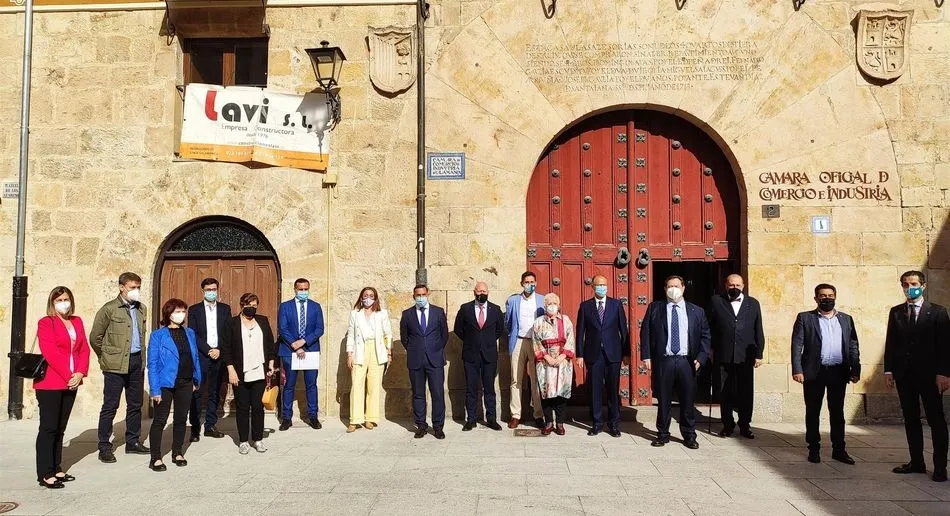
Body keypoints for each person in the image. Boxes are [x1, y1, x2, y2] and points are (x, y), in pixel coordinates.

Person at [884, 271, 949, 482]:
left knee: (935, 419)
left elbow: (945, 346)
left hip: (930, 376)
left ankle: (940, 467)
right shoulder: (896, 312)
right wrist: (889, 370)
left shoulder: (938, 312)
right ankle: (917, 462)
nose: (909, 287)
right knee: (911, 419)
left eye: (913, 283)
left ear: (923, 285)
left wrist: (944, 373)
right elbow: (891, 343)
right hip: (905, 375)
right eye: (905, 284)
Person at [791, 283, 860, 465]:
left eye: (830, 295)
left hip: (838, 371)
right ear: (816, 298)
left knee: (837, 412)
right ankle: (814, 449)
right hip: (814, 372)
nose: (827, 298)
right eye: (822, 296)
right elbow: (797, 345)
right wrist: (797, 369)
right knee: (813, 411)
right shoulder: (805, 318)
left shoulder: (846, 319)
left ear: (835, 297)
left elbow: (853, 345)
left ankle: (839, 450)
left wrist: (856, 369)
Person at [640, 275, 711, 449]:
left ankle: (689, 435)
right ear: (665, 289)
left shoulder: (697, 311)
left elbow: (705, 336)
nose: (673, 289)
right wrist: (646, 356)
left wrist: (701, 358)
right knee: (663, 400)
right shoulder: (655, 308)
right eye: (670, 286)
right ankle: (662, 434)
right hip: (664, 361)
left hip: (687, 362)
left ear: (683, 288)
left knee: (687, 400)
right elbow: (646, 333)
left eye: (676, 285)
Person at [89, 272, 149, 463]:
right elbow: (95, 337)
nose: (136, 291)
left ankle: (133, 441)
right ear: (122, 287)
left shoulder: (142, 309)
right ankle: (104, 446)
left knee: (135, 405)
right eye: (132, 287)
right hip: (114, 365)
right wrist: (105, 357)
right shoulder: (109, 309)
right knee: (110, 406)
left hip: (136, 362)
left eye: (138, 287)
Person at [34, 287, 90, 488]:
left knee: (60, 428)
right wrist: (69, 375)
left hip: (72, 381)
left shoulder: (76, 321)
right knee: (48, 428)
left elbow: (84, 348)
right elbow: (50, 352)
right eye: (59, 300)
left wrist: (80, 372)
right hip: (51, 382)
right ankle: (45, 472)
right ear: (52, 302)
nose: (63, 303)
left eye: (66, 299)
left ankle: (57, 467)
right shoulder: (46, 322)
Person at [146, 299, 201, 471]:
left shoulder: (189, 332)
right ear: (169, 313)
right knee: (160, 420)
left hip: (185, 382)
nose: (181, 314)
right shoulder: (158, 335)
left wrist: (196, 379)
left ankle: (177, 452)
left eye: (183, 311)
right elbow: (153, 364)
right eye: (177, 311)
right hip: (165, 384)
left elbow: (195, 357)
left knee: (180, 419)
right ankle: (155, 457)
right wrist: (155, 389)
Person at [707, 274, 765, 439]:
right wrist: (709, 348)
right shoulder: (716, 301)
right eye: (731, 285)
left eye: (738, 285)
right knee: (725, 391)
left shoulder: (753, 303)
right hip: (723, 354)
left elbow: (758, 329)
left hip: (746, 355)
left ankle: (745, 424)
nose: (735, 288)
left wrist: (759, 353)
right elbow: (708, 327)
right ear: (726, 285)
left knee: (745, 392)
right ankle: (727, 424)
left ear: (743, 286)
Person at [576, 276, 630, 437]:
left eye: (604, 285)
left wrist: (626, 353)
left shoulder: (616, 304)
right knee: (595, 390)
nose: (601, 287)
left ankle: (614, 424)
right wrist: (579, 354)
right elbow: (580, 333)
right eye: (598, 285)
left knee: (613, 389)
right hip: (593, 354)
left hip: (613, 354)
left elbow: (623, 331)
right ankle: (597, 423)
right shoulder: (585, 306)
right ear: (592, 287)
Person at [222, 293, 276, 454]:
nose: (251, 308)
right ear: (241, 305)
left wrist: (271, 363)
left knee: (258, 407)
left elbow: (269, 343)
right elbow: (226, 349)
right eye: (248, 305)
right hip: (240, 372)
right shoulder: (231, 323)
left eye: (254, 305)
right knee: (243, 407)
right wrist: (231, 370)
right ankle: (244, 440)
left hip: (259, 370)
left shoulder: (262, 320)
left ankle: (258, 439)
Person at [399, 284, 449, 439]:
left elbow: (444, 335)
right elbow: (404, 338)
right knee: (418, 395)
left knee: (438, 394)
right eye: (417, 295)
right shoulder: (407, 314)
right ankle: (421, 425)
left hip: (435, 360)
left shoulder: (438, 312)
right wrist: (416, 349)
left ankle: (438, 426)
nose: (420, 297)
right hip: (416, 360)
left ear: (428, 294)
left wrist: (435, 349)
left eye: (423, 294)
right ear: (414, 296)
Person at [453, 281, 505, 431]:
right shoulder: (465, 309)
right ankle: (471, 419)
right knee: (471, 388)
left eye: (484, 291)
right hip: (471, 354)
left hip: (489, 355)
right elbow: (458, 329)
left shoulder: (495, 310)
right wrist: (472, 341)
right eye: (479, 291)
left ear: (488, 292)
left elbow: (499, 330)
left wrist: (486, 342)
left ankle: (491, 419)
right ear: (474, 292)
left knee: (489, 388)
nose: (482, 293)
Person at [186, 277, 231, 441]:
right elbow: (193, 334)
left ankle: (210, 425)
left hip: (218, 357)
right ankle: (195, 428)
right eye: (208, 290)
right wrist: (208, 350)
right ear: (203, 291)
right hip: (201, 357)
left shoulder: (225, 309)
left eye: (214, 289)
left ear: (217, 290)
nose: (211, 292)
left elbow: (227, 333)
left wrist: (219, 350)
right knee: (196, 393)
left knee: (214, 392)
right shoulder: (194, 310)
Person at [276, 278, 324, 430]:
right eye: (300, 289)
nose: (303, 292)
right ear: (295, 289)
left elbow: (319, 329)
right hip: (289, 351)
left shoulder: (316, 307)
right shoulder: (285, 307)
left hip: (310, 349)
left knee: (311, 385)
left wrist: (303, 342)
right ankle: (286, 418)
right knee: (289, 385)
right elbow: (282, 328)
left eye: (305, 289)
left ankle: (313, 416)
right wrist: (295, 345)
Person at [345, 287, 393, 433]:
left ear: (375, 298)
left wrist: (389, 351)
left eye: (371, 296)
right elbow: (351, 335)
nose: (368, 298)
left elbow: (388, 333)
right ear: (361, 297)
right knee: (357, 384)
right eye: (365, 295)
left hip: (377, 350)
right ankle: (355, 420)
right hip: (360, 350)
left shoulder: (382, 314)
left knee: (374, 385)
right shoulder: (355, 314)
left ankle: (370, 418)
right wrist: (349, 354)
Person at [504, 271, 545, 429]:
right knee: (515, 379)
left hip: (536, 343)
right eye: (527, 282)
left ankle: (538, 414)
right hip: (518, 341)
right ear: (522, 283)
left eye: (532, 281)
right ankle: (515, 415)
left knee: (536, 380)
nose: (530, 284)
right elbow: (507, 321)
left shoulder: (541, 300)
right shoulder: (513, 300)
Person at [532, 293, 576, 436]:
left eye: (554, 303)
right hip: (545, 363)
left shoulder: (566, 320)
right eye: (549, 303)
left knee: (561, 393)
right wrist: (546, 357)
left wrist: (563, 355)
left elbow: (570, 339)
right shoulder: (538, 322)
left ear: (558, 305)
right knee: (547, 393)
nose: (551, 305)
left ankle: (560, 423)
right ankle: (549, 422)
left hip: (563, 362)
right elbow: (536, 342)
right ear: (545, 306)